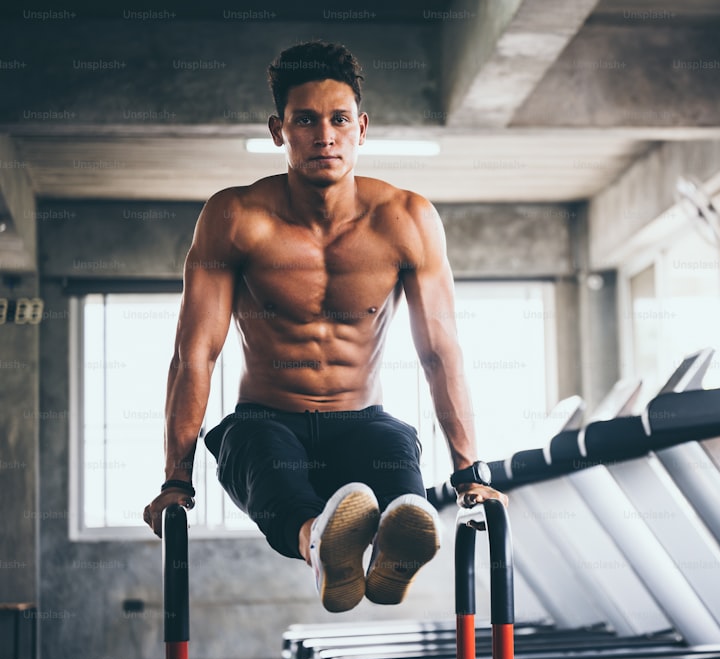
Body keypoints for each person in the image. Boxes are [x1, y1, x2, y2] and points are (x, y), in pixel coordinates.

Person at [141, 41, 507, 613]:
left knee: (397, 462)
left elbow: (440, 351)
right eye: (305, 120)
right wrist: (175, 482)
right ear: (277, 130)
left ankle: (392, 542)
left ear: (361, 128)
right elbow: (195, 354)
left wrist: (470, 472)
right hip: (266, 420)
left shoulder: (407, 220)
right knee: (265, 462)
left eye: (338, 120)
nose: (324, 135)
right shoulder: (235, 217)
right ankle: (323, 546)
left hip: (362, 421)